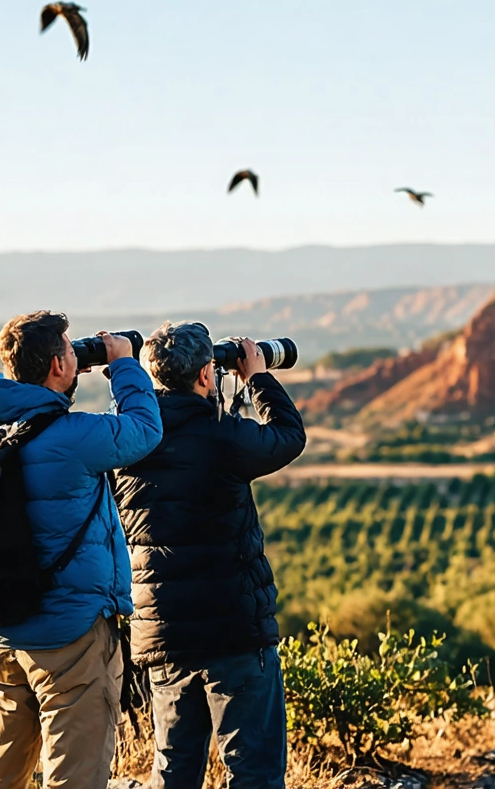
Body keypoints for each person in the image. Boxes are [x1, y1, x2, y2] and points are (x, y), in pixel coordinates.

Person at [0, 311, 162, 789]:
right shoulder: (74, 437)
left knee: (1, 778)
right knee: (75, 777)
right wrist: (123, 365)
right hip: (68, 636)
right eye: (72, 351)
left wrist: (53, 377)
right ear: (56, 365)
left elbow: (18, 406)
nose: (78, 356)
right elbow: (144, 429)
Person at [114, 321, 307, 789]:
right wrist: (257, 378)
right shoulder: (224, 437)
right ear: (207, 376)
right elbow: (288, 436)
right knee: (253, 772)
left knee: (174, 771)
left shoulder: (125, 441)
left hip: (164, 635)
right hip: (234, 632)